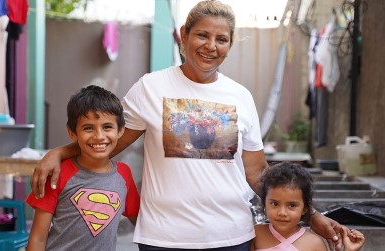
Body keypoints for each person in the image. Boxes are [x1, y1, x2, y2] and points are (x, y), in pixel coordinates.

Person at [31, 1, 345, 250]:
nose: (211, 46)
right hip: (163, 239)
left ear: (229, 44)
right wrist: (58, 153)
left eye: (221, 39)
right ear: (184, 35)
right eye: (202, 35)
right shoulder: (150, 88)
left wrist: (310, 215)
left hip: (231, 237)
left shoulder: (241, 96)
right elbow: (110, 143)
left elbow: (258, 174)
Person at [26, 85, 140, 251]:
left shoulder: (124, 174)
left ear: (121, 130)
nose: (99, 136)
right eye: (88, 128)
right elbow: (37, 239)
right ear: (72, 133)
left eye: (107, 127)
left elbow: (141, 221)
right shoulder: (57, 173)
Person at [251, 162, 365, 251]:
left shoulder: (314, 243)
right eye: (275, 204)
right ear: (264, 203)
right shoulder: (256, 234)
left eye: (292, 205)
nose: (282, 212)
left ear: (305, 208)